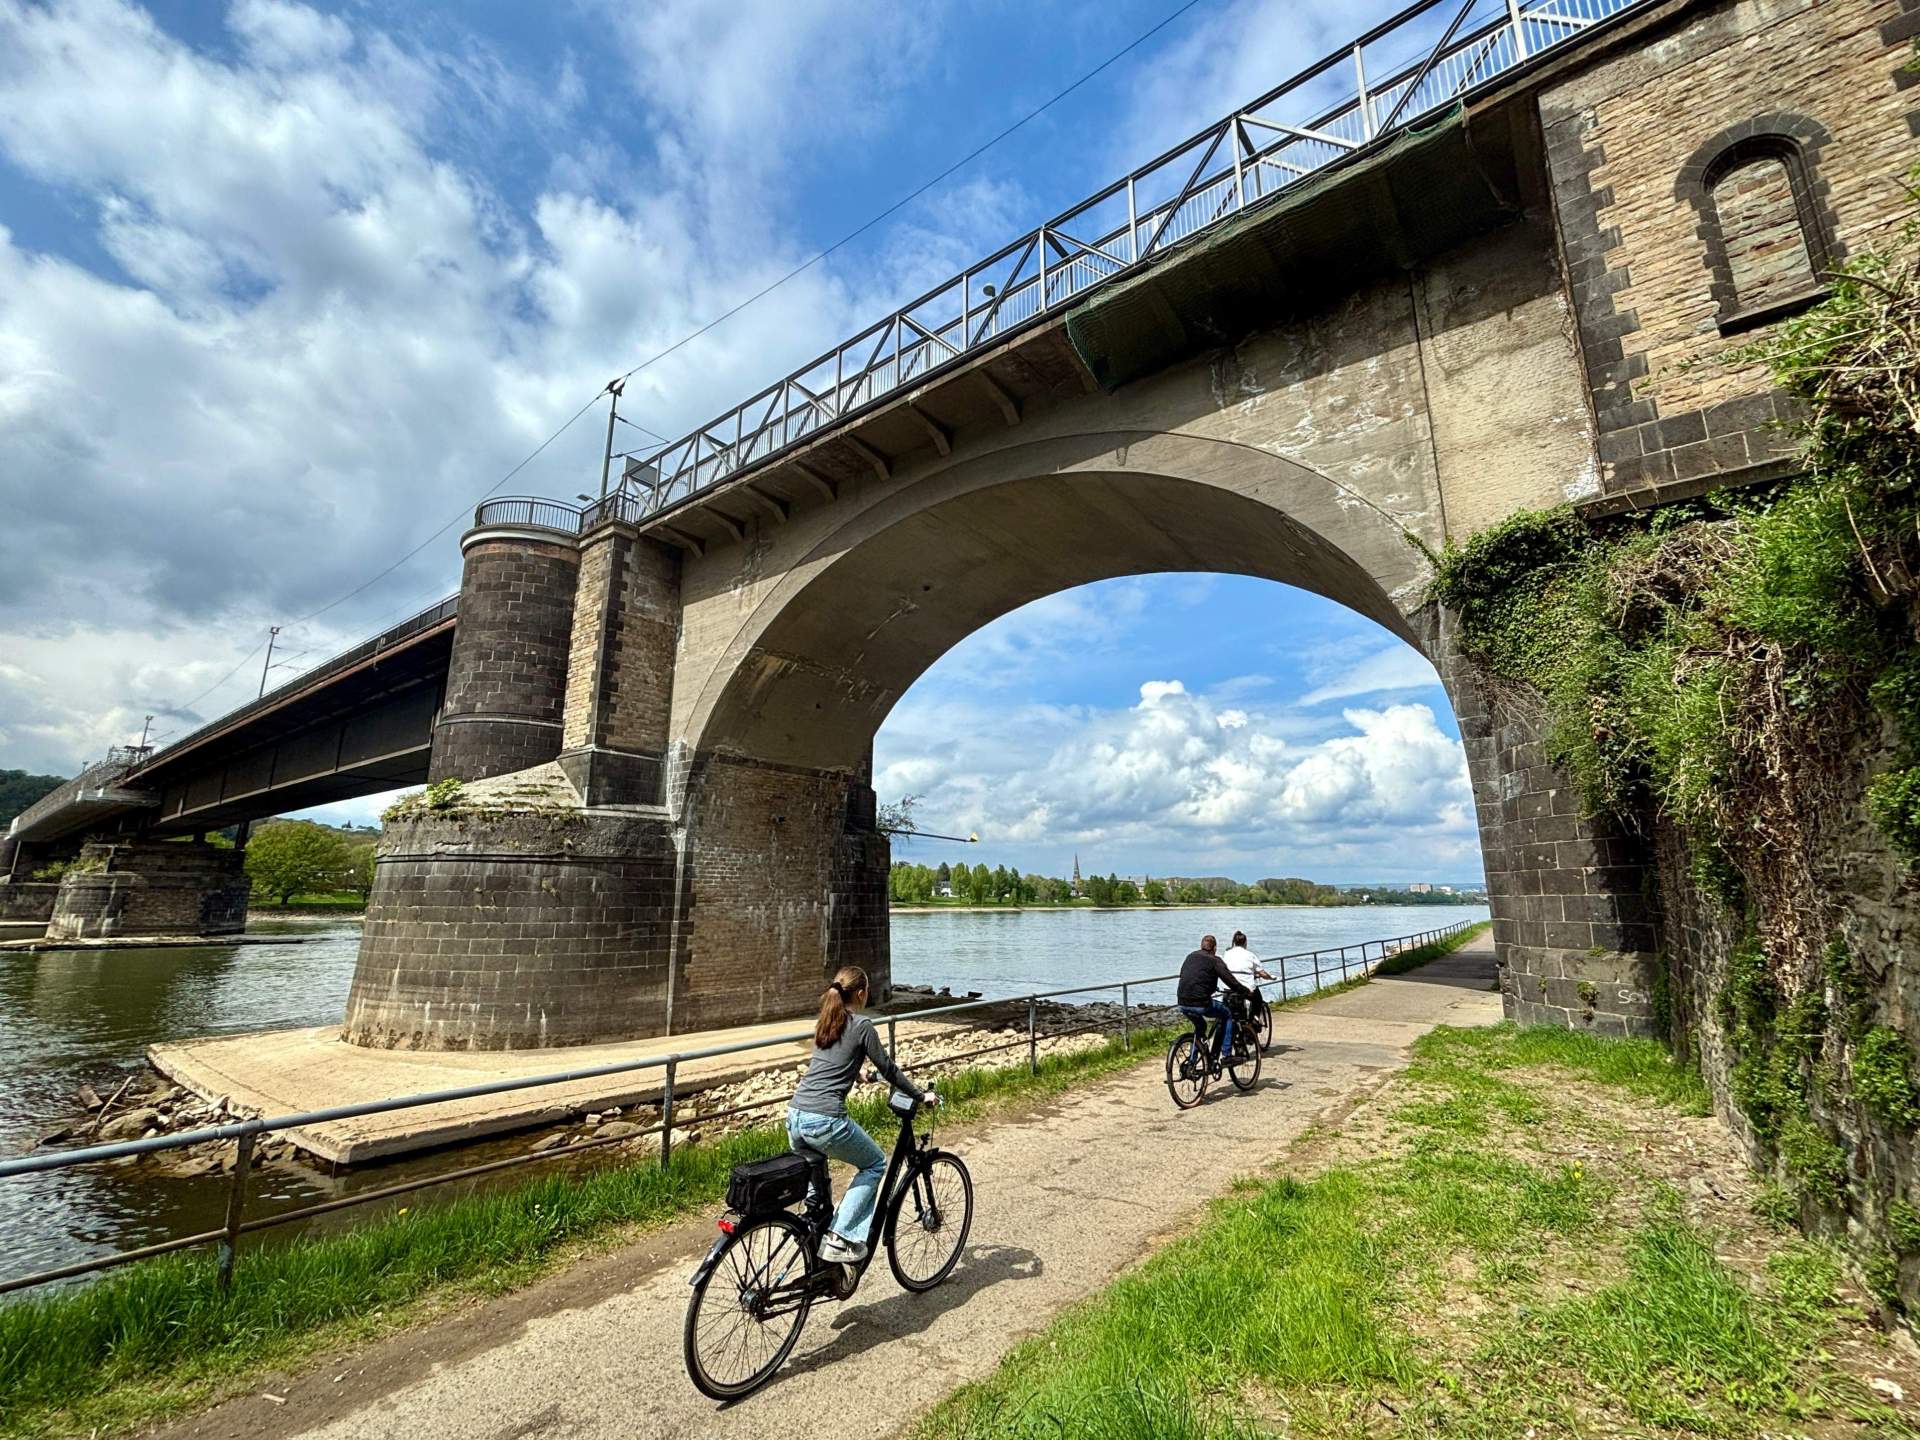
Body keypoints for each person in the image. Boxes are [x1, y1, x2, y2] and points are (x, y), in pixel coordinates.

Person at [788, 965, 937, 1263]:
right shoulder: (862, 1025)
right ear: (860, 993)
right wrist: (920, 1094)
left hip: (795, 1118)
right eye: (866, 992)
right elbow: (889, 1068)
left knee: (819, 1197)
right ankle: (840, 1239)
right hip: (825, 1121)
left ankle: (817, 1252)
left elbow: (831, 1063)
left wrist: (860, 1076)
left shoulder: (827, 1020)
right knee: (874, 1164)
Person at [1177, 933, 1253, 1070]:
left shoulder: (1190, 956)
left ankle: (1192, 1062)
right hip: (1201, 1003)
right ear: (1215, 948)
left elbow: (1189, 976)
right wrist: (1245, 991)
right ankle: (1227, 1055)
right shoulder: (1214, 960)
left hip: (1182, 1002)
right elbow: (1230, 980)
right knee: (1227, 1015)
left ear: (1201, 946)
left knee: (1200, 1027)